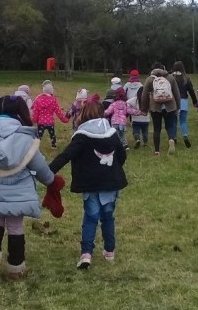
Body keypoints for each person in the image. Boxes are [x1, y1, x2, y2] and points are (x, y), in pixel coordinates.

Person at [0, 95, 65, 281]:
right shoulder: (25, 137)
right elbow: (39, 166)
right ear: (19, 112)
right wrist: (51, 181)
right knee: (16, 227)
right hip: (19, 194)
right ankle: (16, 269)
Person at [48, 100, 128, 270]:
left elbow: (66, 155)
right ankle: (109, 251)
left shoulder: (81, 136)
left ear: (83, 115)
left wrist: (48, 171)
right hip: (110, 183)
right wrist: (113, 170)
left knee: (90, 218)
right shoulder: (112, 133)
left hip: (90, 184)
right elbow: (121, 155)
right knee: (108, 217)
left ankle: (86, 254)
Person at [139, 62, 182, 156]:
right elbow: (177, 93)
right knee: (170, 125)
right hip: (170, 106)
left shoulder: (149, 79)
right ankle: (171, 138)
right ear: (163, 68)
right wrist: (178, 107)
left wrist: (143, 109)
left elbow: (144, 95)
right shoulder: (170, 77)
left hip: (155, 107)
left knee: (157, 129)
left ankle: (157, 151)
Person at [31, 80, 70, 149]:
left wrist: (34, 120)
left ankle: (35, 147)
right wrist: (65, 119)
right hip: (50, 122)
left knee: (39, 135)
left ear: (43, 90)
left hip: (41, 122)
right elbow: (58, 112)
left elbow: (35, 111)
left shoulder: (38, 100)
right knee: (52, 134)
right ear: (52, 91)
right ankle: (53, 145)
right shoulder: (53, 100)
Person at [171, 61, 198, 147]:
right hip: (183, 101)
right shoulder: (186, 78)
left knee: (173, 121)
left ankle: (174, 138)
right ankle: (185, 135)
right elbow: (191, 91)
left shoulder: (171, 77)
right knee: (183, 121)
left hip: (173, 102)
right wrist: (195, 101)